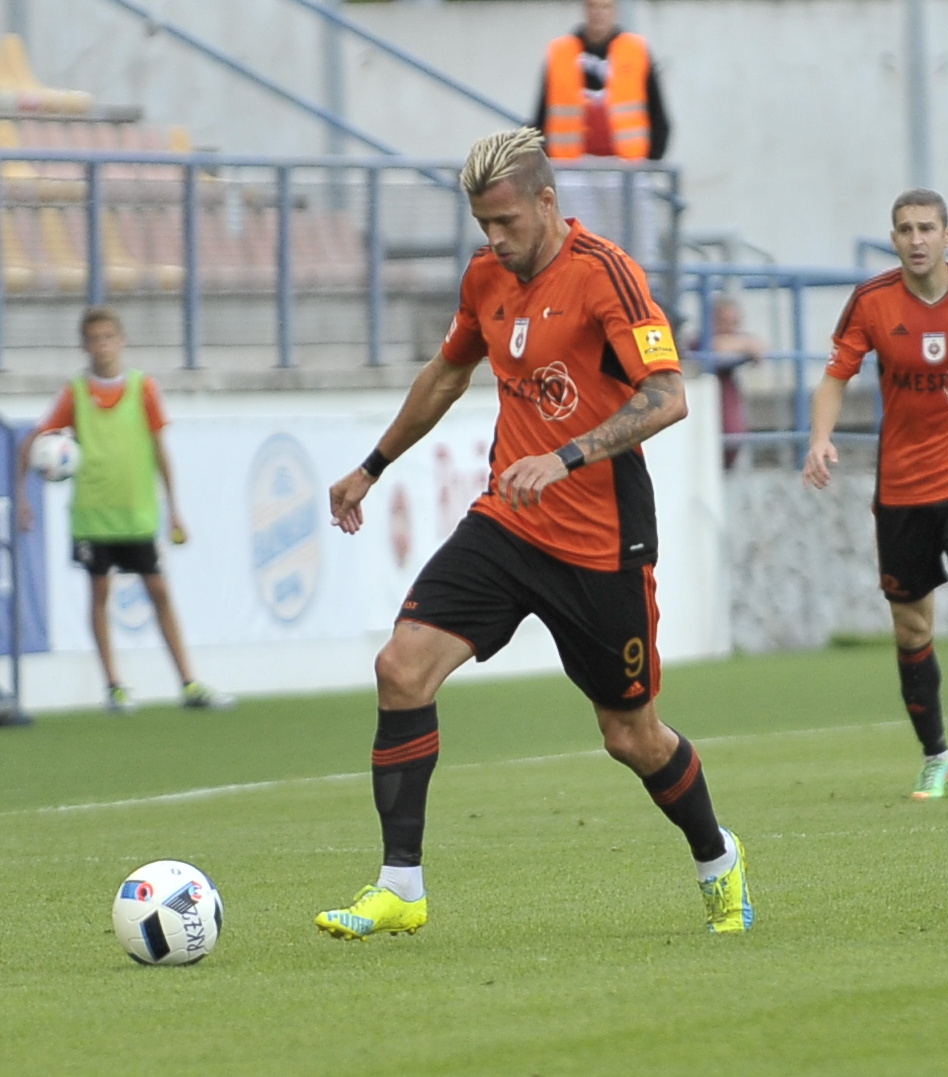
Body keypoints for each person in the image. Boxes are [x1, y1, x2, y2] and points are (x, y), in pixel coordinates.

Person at [314, 127, 752, 940]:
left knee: (631, 735)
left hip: (601, 542)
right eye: (483, 224)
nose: (494, 239)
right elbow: (448, 373)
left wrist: (567, 455)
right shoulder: (485, 276)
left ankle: (718, 857)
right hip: (509, 523)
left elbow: (668, 396)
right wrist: (372, 465)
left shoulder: (606, 274)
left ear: (547, 202)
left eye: (506, 221)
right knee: (401, 669)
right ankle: (400, 885)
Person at [802, 189, 948, 800]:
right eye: (905, 229)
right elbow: (835, 377)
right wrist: (820, 439)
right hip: (902, 489)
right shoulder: (872, 301)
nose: (916, 239)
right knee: (913, 630)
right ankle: (934, 755)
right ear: (893, 239)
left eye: (926, 228)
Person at [14, 306, 233, 715]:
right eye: (94, 339)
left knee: (159, 591)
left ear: (121, 341)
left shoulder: (142, 389)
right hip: (92, 514)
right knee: (100, 593)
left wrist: (174, 509)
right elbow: (32, 440)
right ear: (84, 345)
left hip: (137, 513)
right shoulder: (76, 393)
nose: (102, 346)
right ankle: (113, 686)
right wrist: (22, 495)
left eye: (108, 337)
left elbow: (160, 449)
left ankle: (189, 682)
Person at [533, 0, 670, 162]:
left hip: (628, 163)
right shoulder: (560, 52)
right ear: (584, 9)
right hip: (568, 163)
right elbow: (541, 115)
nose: (598, 13)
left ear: (615, 10)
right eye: (593, 6)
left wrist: (652, 160)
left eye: (606, 7)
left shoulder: (636, 50)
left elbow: (657, 111)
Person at [690, 295, 765, 469]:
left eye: (735, 322)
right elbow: (716, 345)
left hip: (728, 419)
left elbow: (760, 346)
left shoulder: (737, 341)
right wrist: (745, 346)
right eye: (723, 321)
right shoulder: (697, 344)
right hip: (704, 414)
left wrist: (744, 345)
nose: (730, 328)